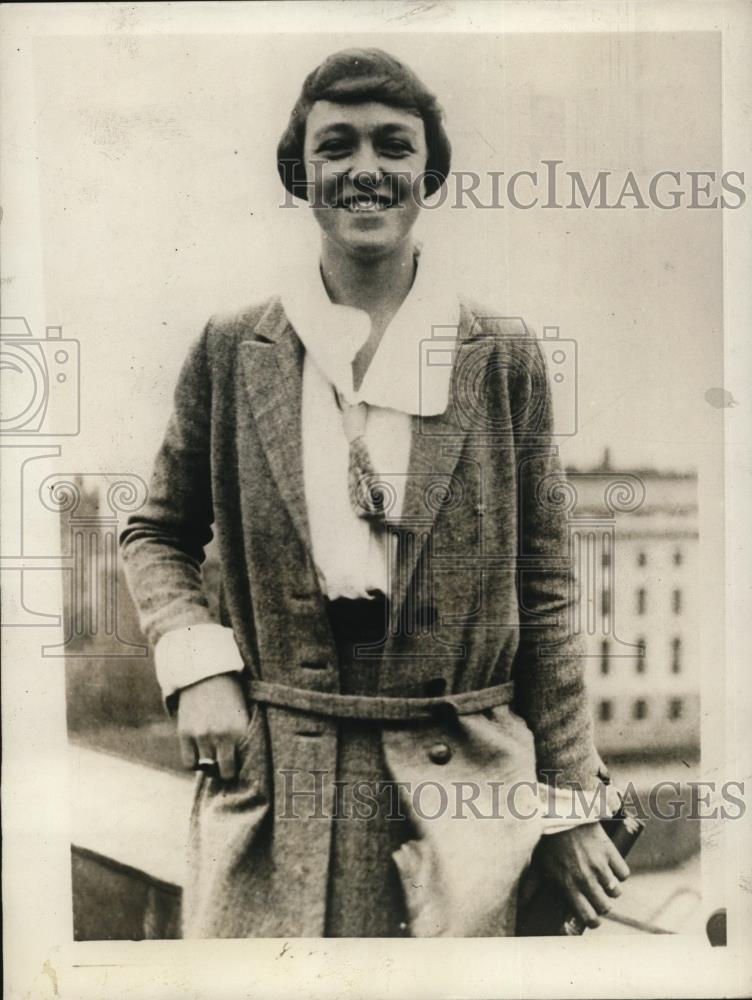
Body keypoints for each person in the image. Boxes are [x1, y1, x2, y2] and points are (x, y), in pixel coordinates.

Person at [120, 47, 630, 938]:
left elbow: (544, 588)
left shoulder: (500, 357)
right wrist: (198, 665)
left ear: (427, 171)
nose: (366, 170)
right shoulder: (233, 349)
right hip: (275, 782)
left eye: (394, 146)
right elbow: (155, 531)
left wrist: (571, 801)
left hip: (465, 793)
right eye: (337, 146)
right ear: (300, 172)